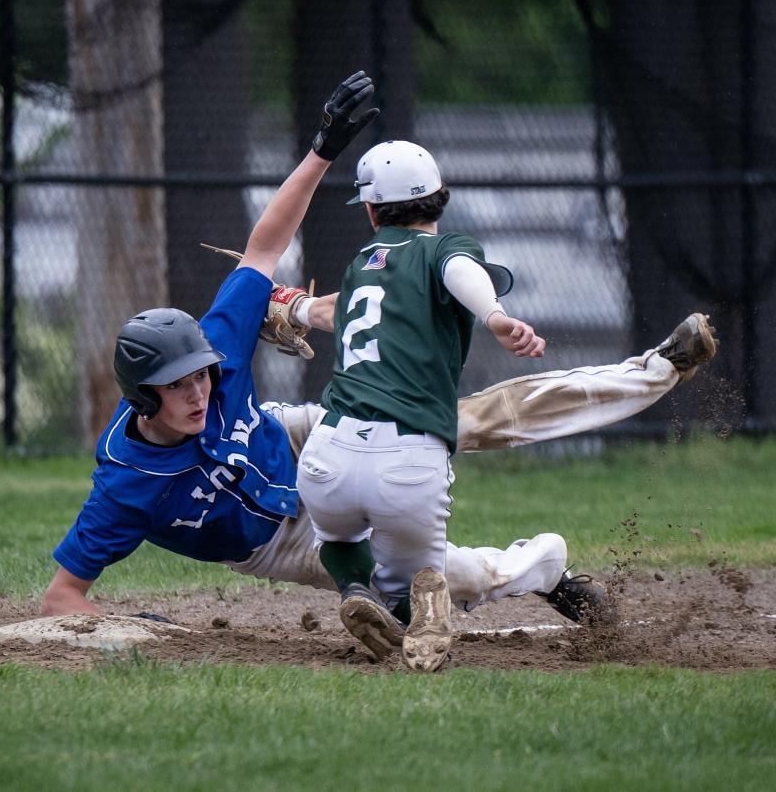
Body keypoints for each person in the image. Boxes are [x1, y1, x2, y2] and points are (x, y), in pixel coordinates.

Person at [40, 73, 720, 663]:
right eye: (179, 384)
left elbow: (263, 246)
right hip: (281, 542)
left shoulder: (213, 356)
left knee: (479, 416)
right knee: (433, 582)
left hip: (300, 437)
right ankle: (540, 568)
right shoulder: (124, 486)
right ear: (139, 399)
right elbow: (62, 598)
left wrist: (321, 150)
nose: (200, 388)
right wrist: (136, 631)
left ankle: (653, 370)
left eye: (202, 374)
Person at [296, 139, 548, 671]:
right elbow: (459, 269)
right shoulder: (443, 249)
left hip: (328, 454)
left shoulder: (360, 265)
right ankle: (418, 599)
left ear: (370, 211)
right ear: (441, 197)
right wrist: (496, 317)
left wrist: (292, 308)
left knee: (334, 535)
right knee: (409, 584)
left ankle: (353, 590)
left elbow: (331, 316)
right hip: (407, 458)